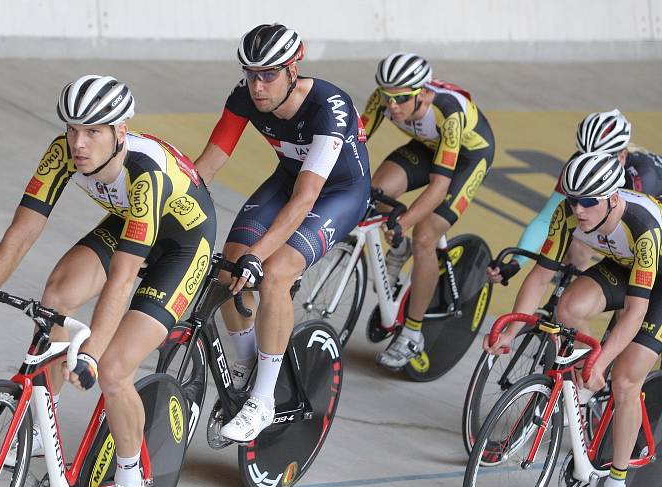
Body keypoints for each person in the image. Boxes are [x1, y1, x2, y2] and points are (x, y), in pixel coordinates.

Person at [0, 75, 216, 487]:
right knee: (57, 299)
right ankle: (40, 423)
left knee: (113, 368)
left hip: (184, 245)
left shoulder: (144, 171)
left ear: (119, 132)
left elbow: (124, 276)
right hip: (130, 224)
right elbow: (21, 231)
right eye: (72, 129)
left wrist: (90, 354)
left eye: (92, 132)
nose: (78, 143)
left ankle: (129, 483)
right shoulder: (62, 151)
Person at [194, 23, 370, 441]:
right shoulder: (245, 97)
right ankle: (246, 363)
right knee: (228, 267)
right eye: (251, 73)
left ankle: (264, 399)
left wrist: (260, 253)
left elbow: (307, 198)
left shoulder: (330, 107)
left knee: (273, 272)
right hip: (289, 178)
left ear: (294, 68)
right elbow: (208, 166)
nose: (257, 86)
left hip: (337, 193)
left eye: (268, 74)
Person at [486, 151, 662, 487]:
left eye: (588, 202)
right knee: (568, 308)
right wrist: (513, 328)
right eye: (572, 199)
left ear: (613, 198)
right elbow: (540, 275)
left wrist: (601, 359)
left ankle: (615, 485)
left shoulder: (643, 226)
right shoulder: (569, 214)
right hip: (621, 262)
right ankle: (582, 391)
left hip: (655, 280)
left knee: (625, 378)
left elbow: (634, 311)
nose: (578, 210)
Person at [359, 52, 496, 369]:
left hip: (466, 157)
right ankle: (400, 248)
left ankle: (412, 333)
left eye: (402, 98)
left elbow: (438, 187)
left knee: (424, 235)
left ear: (423, 92)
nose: (393, 105)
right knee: (375, 192)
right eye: (388, 96)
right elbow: (353, 140)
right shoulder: (385, 96)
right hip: (426, 144)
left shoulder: (447, 113)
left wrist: (405, 221)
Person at [489, 109, 662, 284]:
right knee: (578, 241)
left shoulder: (642, 179)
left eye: (598, 159)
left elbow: (635, 241)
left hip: (653, 222)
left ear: (621, 157)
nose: (587, 166)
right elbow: (545, 219)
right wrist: (516, 262)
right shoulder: (579, 168)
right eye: (583, 157)